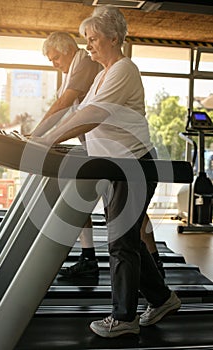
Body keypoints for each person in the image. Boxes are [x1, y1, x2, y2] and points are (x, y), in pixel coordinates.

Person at [31, 5, 180, 338]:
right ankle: (163, 298)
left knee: (121, 241)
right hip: (116, 167)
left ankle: (124, 317)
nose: (88, 46)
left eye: (93, 38)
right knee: (128, 240)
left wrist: (48, 139)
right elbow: (78, 116)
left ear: (114, 37)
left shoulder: (123, 69)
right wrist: (44, 138)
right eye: (86, 39)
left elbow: (93, 115)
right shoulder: (101, 74)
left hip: (133, 167)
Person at [35, 31, 165, 279]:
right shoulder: (77, 69)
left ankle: (153, 263)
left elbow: (64, 104)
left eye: (55, 58)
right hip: (99, 150)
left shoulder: (83, 62)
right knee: (101, 204)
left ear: (68, 50)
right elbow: (73, 111)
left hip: (120, 153)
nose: (54, 64)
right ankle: (90, 257)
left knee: (130, 216)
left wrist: (40, 135)